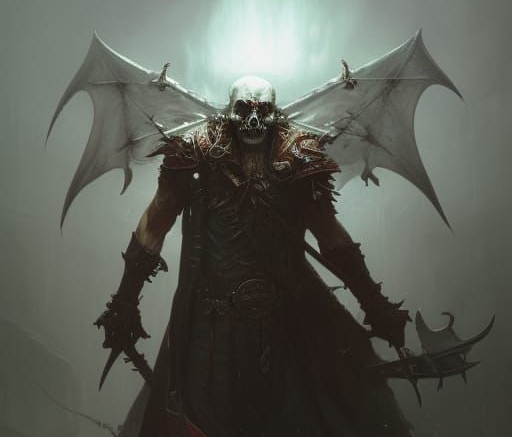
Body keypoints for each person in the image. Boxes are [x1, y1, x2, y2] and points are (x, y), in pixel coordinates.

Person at [95, 76, 412, 437]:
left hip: (284, 324)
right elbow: (154, 223)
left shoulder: (299, 154)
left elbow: (330, 235)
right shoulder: (196, 151)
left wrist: (374, 302)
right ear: (229, 112)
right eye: (244, 110)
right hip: (211, 327)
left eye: (264, 111)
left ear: (276, 114)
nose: (255, 121)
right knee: (205, 423)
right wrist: (124, 302)